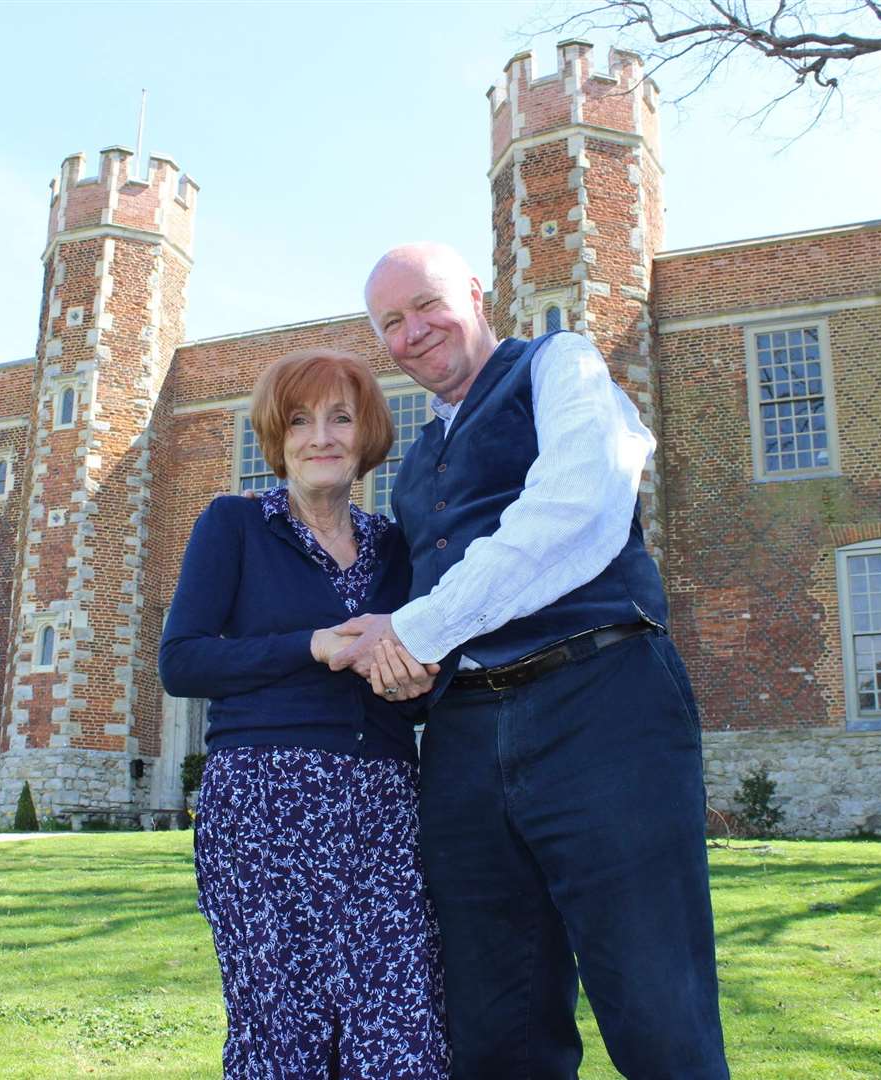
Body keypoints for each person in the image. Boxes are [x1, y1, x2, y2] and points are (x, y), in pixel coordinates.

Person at [329, 242, 731, 1078]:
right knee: (496, 1024)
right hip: (465, 740)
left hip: (599, 700)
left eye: (428, 305)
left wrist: (415, 630)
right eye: (391, 323)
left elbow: (579, 505)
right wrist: (394, 649)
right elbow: (414, 620)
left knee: (657, 1010)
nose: (413, 332)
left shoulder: (560, 364)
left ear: (477, 296)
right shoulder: (412, 473)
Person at [158, 347, 451, 1079]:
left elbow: (422, 683)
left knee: (404, 1033)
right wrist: (311, 644)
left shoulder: (396, 548)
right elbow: (183, 661)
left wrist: (412, 686)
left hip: (383, 808)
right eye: (300, 419)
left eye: (340, 418)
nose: (321, 436)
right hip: (263, 806)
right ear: (277, 437)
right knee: (280, 1039)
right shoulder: (234, 525)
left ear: (367, 436)